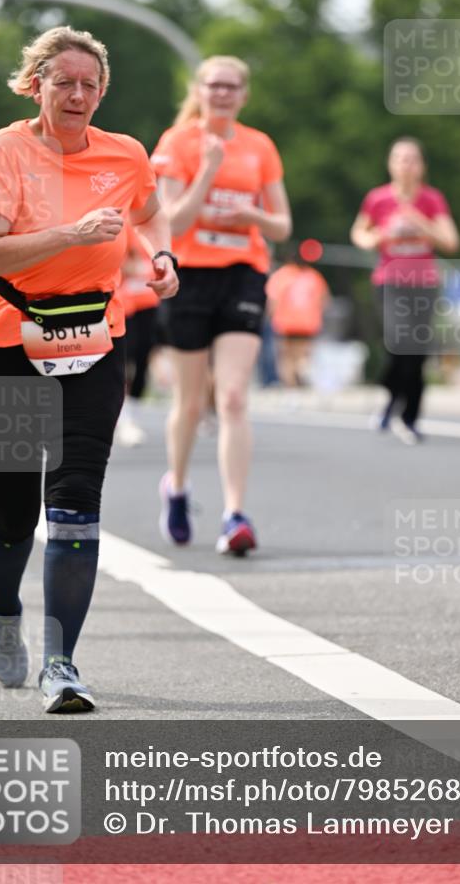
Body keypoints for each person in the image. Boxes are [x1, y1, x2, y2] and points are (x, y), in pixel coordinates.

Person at [0, 26, 178, 712]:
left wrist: (162, 258)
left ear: (102, 91)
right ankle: (2, 607)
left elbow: (151, 212)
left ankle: (62, 665)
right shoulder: (5, 151)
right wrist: (71, 235)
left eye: (89, 85)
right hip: (2, 345)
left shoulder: (125, 154)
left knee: (76, 501)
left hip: (92, 343)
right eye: (63, 83)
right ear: (36, 87)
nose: (77, 95)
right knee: (15, 508)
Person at [151, 55, 291, 554]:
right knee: (190, 403)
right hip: (189, 277)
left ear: (243, 94)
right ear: (200, 90)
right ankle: (179, 486)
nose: (223, 94)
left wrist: (252, 214)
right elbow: (172, 222)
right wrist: (207, 172)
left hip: (243, 276)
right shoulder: (178, 142)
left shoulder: (260, 146)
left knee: (232, 396)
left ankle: (234, 514)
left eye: (232, 86)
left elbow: (282, 226)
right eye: (214, 85)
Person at [350, 137, 460, 444]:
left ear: (422, 166)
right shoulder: (378, 199)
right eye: (399, 158)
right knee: (398, 342)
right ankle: (390, 395)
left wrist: (420, 223)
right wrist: (380, 236)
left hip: (423, 283)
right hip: (390, 281)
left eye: (412, 159)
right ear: (390, 164)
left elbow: (451, 241)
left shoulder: (431, 200)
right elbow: (360, 233)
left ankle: (408, 417)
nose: (406, 165)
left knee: (417, 352)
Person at [114, 223, 160, 445]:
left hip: (148, 303)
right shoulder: (123, 224)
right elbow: (118, 262)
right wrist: (143, 269)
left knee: (143, 362)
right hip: (125, 305)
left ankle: (133, 416)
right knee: (125, 362)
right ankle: (123, 418)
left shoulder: (152, 227)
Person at [266, 247, 330, 387]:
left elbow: (273, 300)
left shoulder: (281, 275)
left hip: (285, 321)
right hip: (308, 321)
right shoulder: (314, 276)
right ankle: (301, 372)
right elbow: (324, 300)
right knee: (303, 354)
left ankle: (291, 385)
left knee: (286, 356)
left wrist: (270, 316)